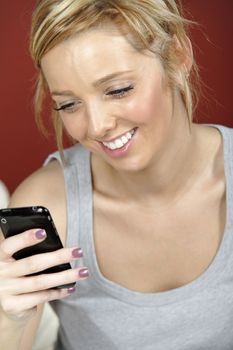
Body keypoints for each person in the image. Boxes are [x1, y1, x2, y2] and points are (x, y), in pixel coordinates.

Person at [0, 0, 232, 349]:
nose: (97, 127)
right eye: (69, 104)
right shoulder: (48, 206)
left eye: (118, 89)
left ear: (179, 55)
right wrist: (9, 317)